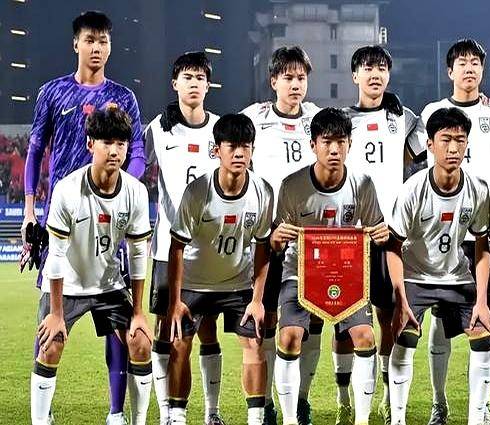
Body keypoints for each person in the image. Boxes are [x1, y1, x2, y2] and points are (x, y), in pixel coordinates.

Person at [22, 11, 145, 425]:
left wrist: (125, 192)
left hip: (110, 218)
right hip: (63, 216)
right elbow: (35, 150)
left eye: (103, 40)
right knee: (50, 317)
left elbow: (137, 151)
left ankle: (116, 412)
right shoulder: (52, 93)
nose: (97, 48)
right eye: (90, 40)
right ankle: (43, 412)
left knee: (119, 319)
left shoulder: (124, 97)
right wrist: (29, 209)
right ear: (76, 43)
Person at [30, 108, 152, 425]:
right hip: (67, 285)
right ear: (90, 144)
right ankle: (40, 421)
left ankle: (136, 421)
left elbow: (139, 253)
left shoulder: (136, 191)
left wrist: (139, 312)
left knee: (140, 341)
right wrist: (56, 314)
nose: (114, 151)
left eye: (121, 143)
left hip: (109, 285)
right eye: (107, 142)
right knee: (50, 343)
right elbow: (56, 256)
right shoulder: (67, 189)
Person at [271, 107, 389, 425]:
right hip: (300, 273)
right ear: (313, 145)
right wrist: (277, 239)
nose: (334, 150)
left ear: (350, 144)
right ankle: (292, 417)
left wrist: (381, 234)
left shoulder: (363, 184)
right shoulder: (292, 186)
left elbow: (377, 229)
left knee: (365, 336)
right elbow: (277, 240)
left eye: (341, 142)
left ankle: (360, 419)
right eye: (327, 142)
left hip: (347, 274)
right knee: (290, 337)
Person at [420, 38, 490, 425]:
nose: (469, 68)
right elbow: (415, 153)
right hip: (441, 229)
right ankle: (439, 403)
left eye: (475, 62)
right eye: (462, 62)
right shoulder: (432, 111)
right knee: (439, 321)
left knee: (486, 318)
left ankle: (483, 406)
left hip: (484, 230)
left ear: (482, 69)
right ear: (450, 71)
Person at [334, 45, 427, 425]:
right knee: (345, 319)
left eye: (382, 69)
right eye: (368, 68)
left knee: (389, 316)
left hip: (389, 232)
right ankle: (344, 396)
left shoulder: (405, 118)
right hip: (350, 234)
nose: (375, 75)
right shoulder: (341, 119)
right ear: (355, 75)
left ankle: (389, 396)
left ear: (389, 75)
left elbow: (419, 151)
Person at [387, 107, 490, 425]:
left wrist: (482, 301)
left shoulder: (478, 189)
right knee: (405, 336)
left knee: (483, 335)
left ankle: (477, 418)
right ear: (430, 145)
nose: (453, 148)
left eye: (460, 140)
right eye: (445, 140)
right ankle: (399, 419)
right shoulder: (412, 190)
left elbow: (482, 247)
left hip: (456, 276)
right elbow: (393, 247)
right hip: (415, 276)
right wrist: (401, 300)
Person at [165, 114, 273, 425]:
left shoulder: (263, 192)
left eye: (245, 146)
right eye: (232, 146)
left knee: (254, 342)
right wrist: (175, 302)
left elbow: (263, 249)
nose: (239, 153)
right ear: (216, 151)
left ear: (253, 150)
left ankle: (254, 419)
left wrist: (257, 300)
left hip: (238, 284)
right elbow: (176, 248)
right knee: (179, 342)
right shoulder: (197, 192)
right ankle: (177, 417)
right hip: (195, 284)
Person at [241, 46, 320, 425]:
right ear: (273, 81)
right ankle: (270, 401)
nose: (295, 85)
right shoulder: (253, 118)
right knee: (267, 322)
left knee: (312, 324)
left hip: (311, 238)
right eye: (288, 78)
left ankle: (301, 400)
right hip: (267, 237)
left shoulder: (318, 119)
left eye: (301, 78)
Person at [144, 51, 225, 425]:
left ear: (209, 85)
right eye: (187, 77)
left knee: (207, 329)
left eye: (200, 77)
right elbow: (134, 164)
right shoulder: (157, 129)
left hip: (211, 250)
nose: (194, 83)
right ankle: (168, 413)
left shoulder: (221, 130)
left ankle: (212, 412)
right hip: (168, 247)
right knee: (166, 328)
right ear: (175, 84)